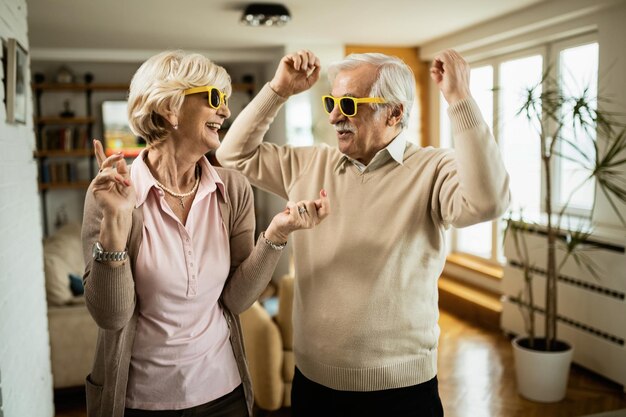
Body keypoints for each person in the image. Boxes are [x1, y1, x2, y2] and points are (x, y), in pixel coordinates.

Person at [216, 49, 510, 417]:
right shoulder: (309, 163)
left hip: (402, 391)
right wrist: (279, 89)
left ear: (395, 112)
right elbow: (233, 154)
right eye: (331, 102)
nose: (335, 116)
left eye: (351, 105)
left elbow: (489, 202)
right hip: (314, 384)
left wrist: (459, 100)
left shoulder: (433, 168)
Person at [80, 50, 330, 417]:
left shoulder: (233, 188)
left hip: (223, 392)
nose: (225, 112)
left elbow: (237, 299)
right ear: (170, 107)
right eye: (214, 99)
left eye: (226, 102)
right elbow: (111, 317)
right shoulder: (112, 192)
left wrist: (277, 233)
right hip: (140, 401)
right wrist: (116, 227)